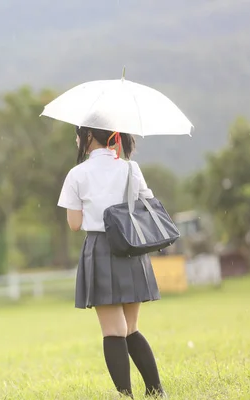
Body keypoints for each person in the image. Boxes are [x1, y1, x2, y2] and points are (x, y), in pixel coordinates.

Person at [57, 126, 167, 398]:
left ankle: (125, 395)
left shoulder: (77, 174)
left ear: (89, 137)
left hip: (101, 248)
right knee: (130, 329)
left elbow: (74, 224)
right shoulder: (131, 169)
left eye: (78, 134)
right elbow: (148, 204)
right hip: (131, 247)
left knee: (113, 331)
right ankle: (156, 391)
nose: (76, 139)